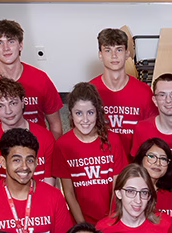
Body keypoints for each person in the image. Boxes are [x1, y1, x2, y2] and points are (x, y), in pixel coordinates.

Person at [0, 19, 62, 135]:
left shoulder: (41, 79)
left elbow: (55, 125)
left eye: (11, 41)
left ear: (20, 45)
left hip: (38, 147)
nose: (6, 48)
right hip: (2, 148)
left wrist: (51, 152)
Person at [53, 82, 126, 224]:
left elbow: (117, 187)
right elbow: (68, 192)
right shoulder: (63, 145)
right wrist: (82, 225)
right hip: (80, 221)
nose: (85, 120)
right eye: (79, 113)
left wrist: (110, 221)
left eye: (90, 113)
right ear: (71, 114)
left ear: (98, 113)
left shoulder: (113, 140)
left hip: (112, 219)